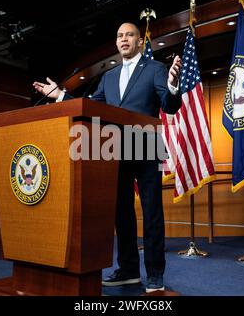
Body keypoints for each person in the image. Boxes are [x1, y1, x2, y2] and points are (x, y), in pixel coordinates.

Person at [33, 22, 182, 293]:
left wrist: (172, 85)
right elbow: (89, 107)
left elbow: (169, 106)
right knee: (121, 213)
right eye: (120, 36)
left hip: (146, 147)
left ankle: (155, 275)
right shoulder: (109, 77)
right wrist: (59, 96)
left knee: (152, 214)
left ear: (140, 41)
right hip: (113, 150)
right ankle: (127, 270)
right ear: (116, 43)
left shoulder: (156, 69)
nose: (124, 39)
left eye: (130, 35)